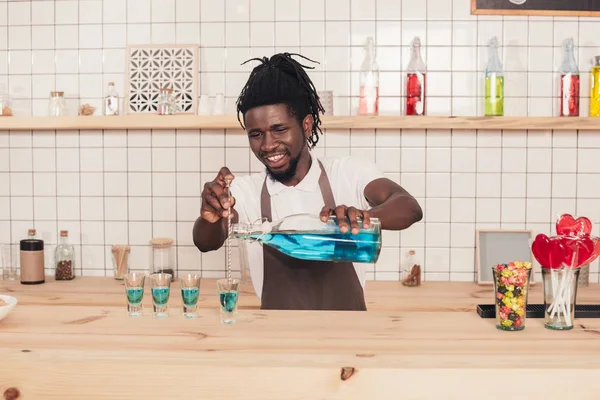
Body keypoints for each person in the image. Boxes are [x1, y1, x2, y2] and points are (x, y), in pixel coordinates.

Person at [193, 53, 423, 311]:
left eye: (279, 130)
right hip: (276, 339)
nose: (268, 145)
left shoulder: (347, 172)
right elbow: (206, 241)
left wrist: (362, 217)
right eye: (256, 134)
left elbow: (409, 207)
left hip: (349, 338)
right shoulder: (245, 191)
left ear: (306, 125)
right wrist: (210, 216)